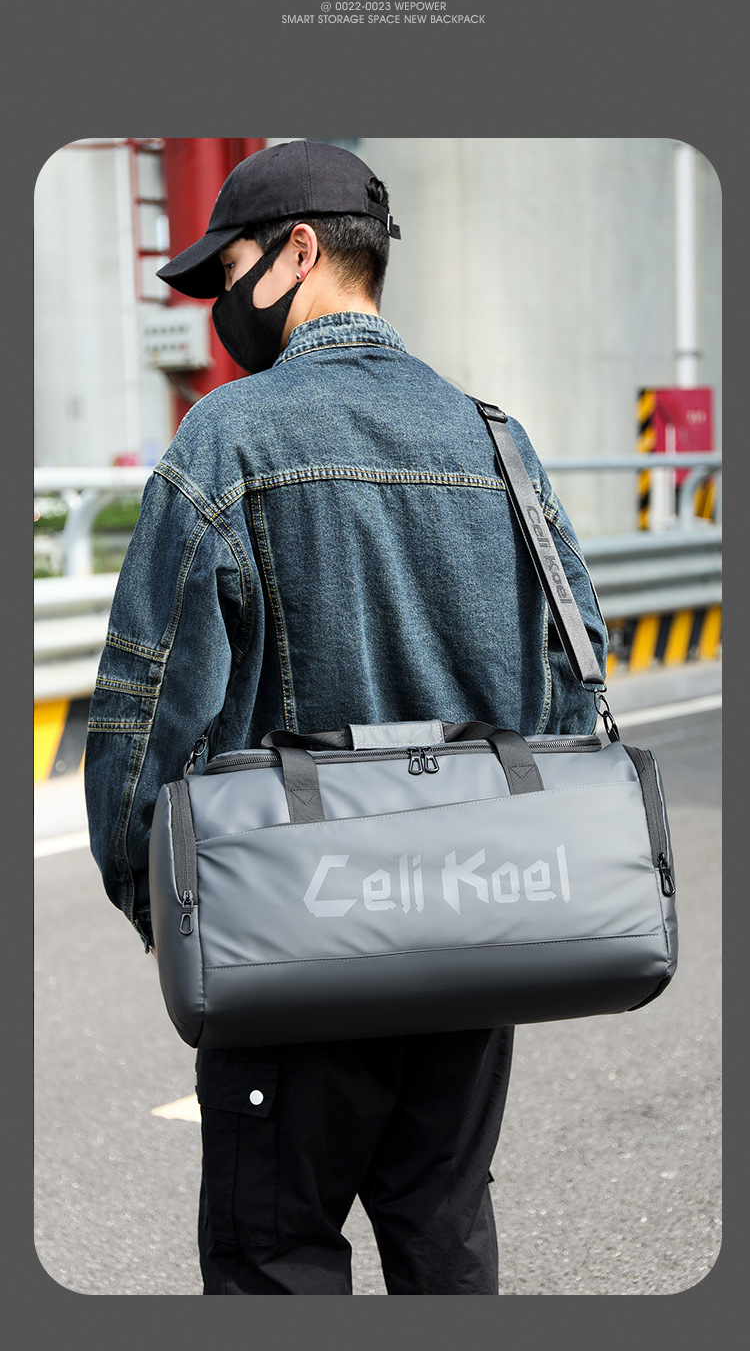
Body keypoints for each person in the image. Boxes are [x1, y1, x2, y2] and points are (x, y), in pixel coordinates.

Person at [85, 139, 607, 1295]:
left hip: (292, 936)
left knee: (276, 1259)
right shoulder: (494, 437)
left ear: (300, 250)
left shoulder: (229, 436)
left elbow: (146, 703)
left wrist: (160, 905)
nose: (221, 305)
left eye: (228, 272)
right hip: (474, 929)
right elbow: (576, 680)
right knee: (445, 1237)